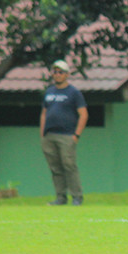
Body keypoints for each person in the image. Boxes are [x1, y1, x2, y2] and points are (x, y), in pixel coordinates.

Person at [40, 60, 88, 206]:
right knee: (55, 168)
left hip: (67, 135)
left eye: (60, 72)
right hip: (50, 135)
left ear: (67, 74)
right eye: (55, 72)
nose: (57, 75)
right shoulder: (49, 92)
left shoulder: (74, 93)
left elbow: (83, 114)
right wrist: (42, 134)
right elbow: (44, 113)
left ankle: (77, 197)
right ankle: (61, 197)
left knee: (69, 166)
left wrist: (76, 135)